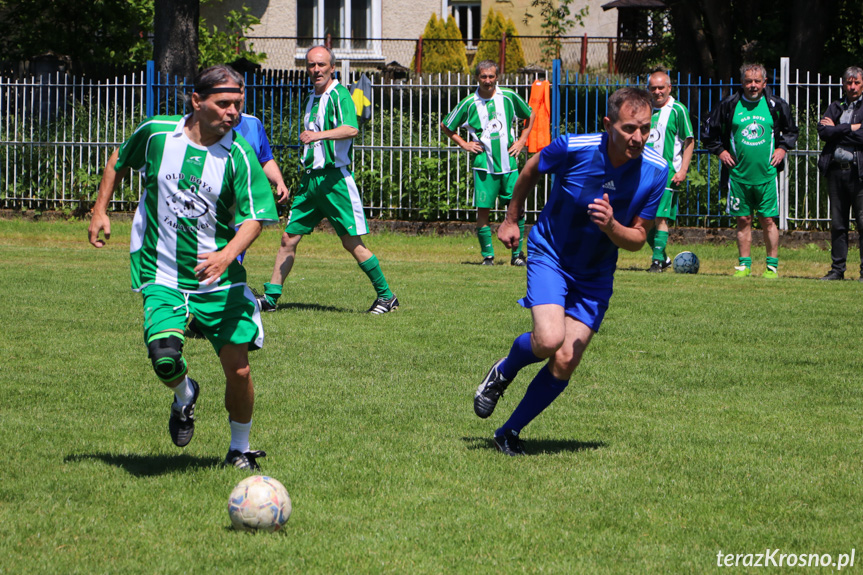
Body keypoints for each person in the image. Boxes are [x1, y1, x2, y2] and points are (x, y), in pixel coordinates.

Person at [87, 65, 279, 471]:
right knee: (164, 356)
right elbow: (119, 159)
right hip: (162, 271)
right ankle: (184, 394)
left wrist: (227, 256)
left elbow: (257, 218)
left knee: (239, 370)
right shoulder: (158, 133)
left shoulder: (240, 155)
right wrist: (100, 210)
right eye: (223, 103)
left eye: (238, 104)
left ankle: (239, 448)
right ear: (196, 101)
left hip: (219, 280)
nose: (233, 113)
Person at [473, 88, 667, 456]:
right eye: (629, 128)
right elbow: (531, 169)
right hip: (551, 254)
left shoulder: (656, 171)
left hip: (595, 274)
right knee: (548, 340)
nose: (638, 138)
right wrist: (512, 219)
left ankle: (508, 432)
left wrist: (612, 227)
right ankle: (503, 370)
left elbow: (640, 237)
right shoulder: (574, 147)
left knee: (565, 359)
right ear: (608, 125)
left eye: (644, 128)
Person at [257, 45, 398, 314]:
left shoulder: (340, 94)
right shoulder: (312, 98)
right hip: (310, 182)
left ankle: (386, 297)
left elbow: (352, 128)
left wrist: (316, 136)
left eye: (321, 65)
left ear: (332, 67)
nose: (316, 70)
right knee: (288, 238)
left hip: (334, 182)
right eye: (311, 65)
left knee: (351, 242)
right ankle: (271, 298)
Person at [186, 105, 290, 337]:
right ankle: (201, 314)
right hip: (211, 207)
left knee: (231, 259)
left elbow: (265, 159)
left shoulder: (253, 124)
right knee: (204, 257)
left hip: (243, 208)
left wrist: (279, 181)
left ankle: (207, 319)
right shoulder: (208, 121)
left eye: (239, 93)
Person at [702, 63, 798, 278]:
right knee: (743, 220)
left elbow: (791, 131)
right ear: (742, 82)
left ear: (765, 83)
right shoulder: (729, 105)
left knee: (768, 220)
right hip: (738, 176)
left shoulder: (776, 105)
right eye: (748, 81)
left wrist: (782, 149)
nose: (752, 85)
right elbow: (709, 133)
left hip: (767, 175)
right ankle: (744, 266)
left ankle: (771, 267)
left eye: (757, 81)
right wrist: (721, 151)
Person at [441, 59, 536, 266]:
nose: (487, 80)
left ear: (497, 77)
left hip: (509, 163)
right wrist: (464, 144)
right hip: (484, 165)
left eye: (491, 76)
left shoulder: (509, 97)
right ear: (477, 78)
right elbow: (446, 125)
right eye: (483, 76)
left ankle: (517, 255)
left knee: (516, 208)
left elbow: (530, 114)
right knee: (483, 210)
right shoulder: (469, 103)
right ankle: (488, 256)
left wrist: (522, 141)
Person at [644, 67, 695, 272]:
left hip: (666, 173)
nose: (657, 92)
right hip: (642, 172)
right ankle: (663, 258)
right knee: (639, 218)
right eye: (653, 88)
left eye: (661, 88)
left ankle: (656, 261)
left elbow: (689, 141)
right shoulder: (643, 108)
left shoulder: (677, 110)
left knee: (660, 217)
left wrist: (683, 170)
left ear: (669, 87)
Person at [817, 66, 863, 281]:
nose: (852, 87)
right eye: (848, 83)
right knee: (838, 223)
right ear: (843, 84)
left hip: (858, 173)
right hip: (836, 172)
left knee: (862, 222)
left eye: (856, 83)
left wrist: (837, 130)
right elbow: (823, 131)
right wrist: (851, 128)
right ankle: (837, 270)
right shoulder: (836, 106)